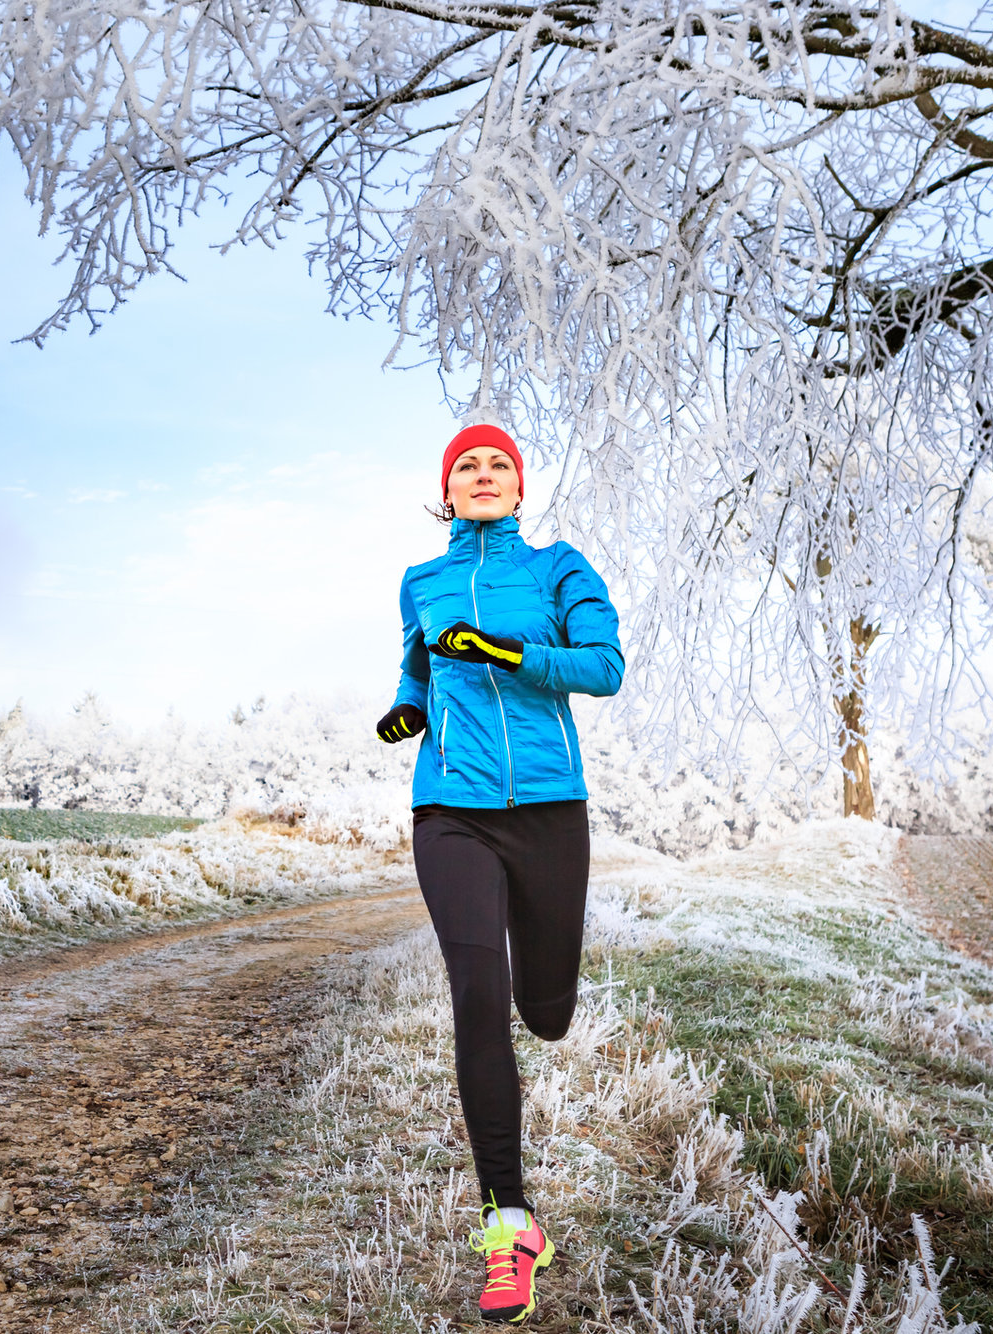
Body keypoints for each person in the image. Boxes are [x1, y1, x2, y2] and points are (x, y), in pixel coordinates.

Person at [375, 423, 624, 1324]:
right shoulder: (422, 581)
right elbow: (417, 669)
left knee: (544, 1014)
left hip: (551, 811)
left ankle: (545, 1002)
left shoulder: (559, 568)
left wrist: (513, 655)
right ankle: (510, 1226)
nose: (483, 476)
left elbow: (605, 668)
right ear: (448, 492)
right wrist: (408, 710)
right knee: (478, 987)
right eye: (467, 468)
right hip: (451, 810)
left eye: (499, 467)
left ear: (520, 489)